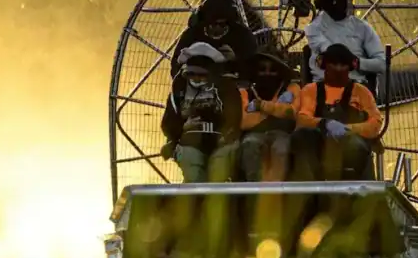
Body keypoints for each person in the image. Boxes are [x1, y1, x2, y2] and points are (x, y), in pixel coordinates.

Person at [289, 43, 383, 181]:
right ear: (324, 65)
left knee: (356, 146)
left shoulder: (361, 91)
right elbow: (303, 119)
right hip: (318, 148)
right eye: (334, 64)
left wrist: (349, 129)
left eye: (342, 64)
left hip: (352, 147)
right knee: (302, 136)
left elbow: (375, 123)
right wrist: (324, 123)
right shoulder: (310, 90)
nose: (338, 69)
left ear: (350, 67)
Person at [160, 42, 243, 183]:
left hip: (221, 142)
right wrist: (183, 128)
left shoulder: (227, 90)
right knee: (193, 173)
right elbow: (167, 124)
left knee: (218, 175)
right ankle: (193, 200)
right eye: (191, 74)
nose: (196, 78)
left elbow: (235, 118)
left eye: (201, 75)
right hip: (189, 143)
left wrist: (224, 134)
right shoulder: (178, 93)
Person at [304, 0, 385, 87]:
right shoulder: (313, 28)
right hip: (322, 87)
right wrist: (344, 58)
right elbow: (333, 51)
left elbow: (382, 64)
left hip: (355, 87)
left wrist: (356, 62)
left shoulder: (362, 27)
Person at [238, 52, 301, 181]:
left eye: (273, 70)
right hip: (254, 135)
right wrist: (276, 109)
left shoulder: (292, 88)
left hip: (282, 133)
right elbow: (242, 122)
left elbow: (291, 113)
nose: (267, 73)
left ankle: (277, 194)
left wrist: (261, 106)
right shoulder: (244, 92)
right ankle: (255, 194)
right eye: (262, 69)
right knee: (250, 145)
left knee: (281, 149)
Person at [171, 0, 258, 83]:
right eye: (212, 24)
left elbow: (254, 69)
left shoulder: (242, 36)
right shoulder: (192, 34)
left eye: (222, 25)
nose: (217, 29)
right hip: (197, 84)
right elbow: (176, 66)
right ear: (204, 22)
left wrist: (234, 60)